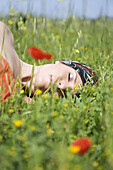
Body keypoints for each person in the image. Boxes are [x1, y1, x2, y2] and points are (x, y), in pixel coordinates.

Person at [0, 22, 97, 102]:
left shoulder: (23, 109)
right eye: (70, 77)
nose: (62, 86)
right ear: (61, 62)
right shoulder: (4, 35)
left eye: (66, 94)